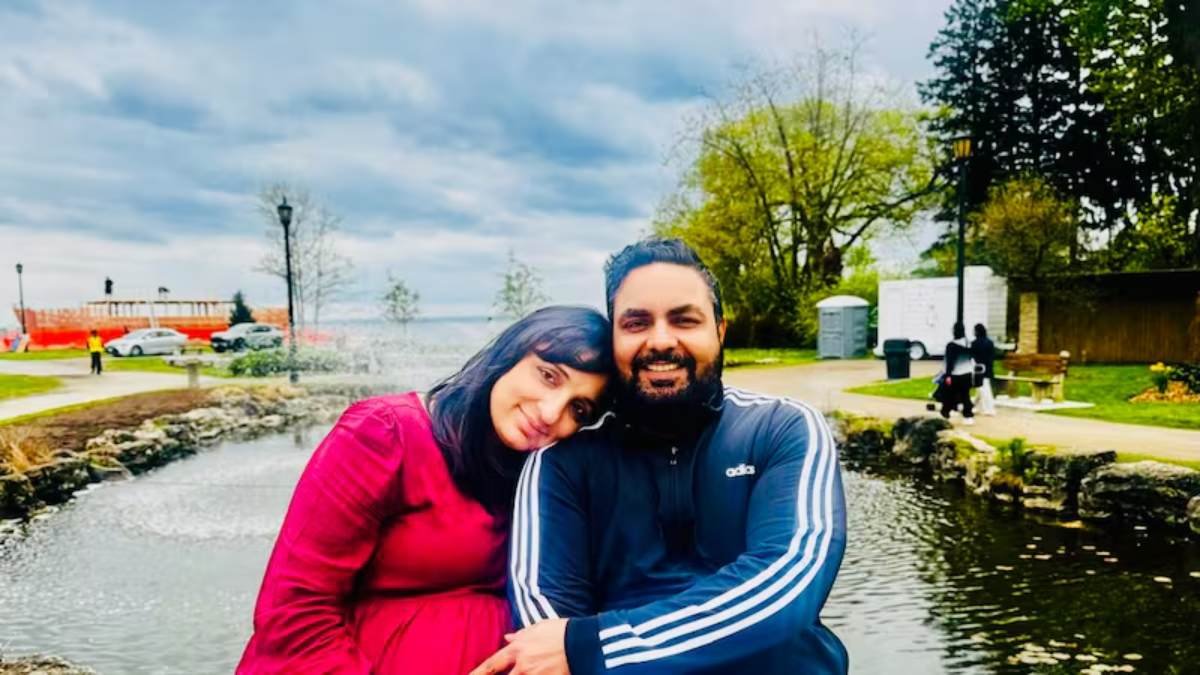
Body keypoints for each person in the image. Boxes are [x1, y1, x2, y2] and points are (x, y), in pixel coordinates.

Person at [473, 239, 848, 675]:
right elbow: (544, 632)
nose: (661, 341)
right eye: (636, 323)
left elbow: (787, 587)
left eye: (684, 320)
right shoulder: (562, 463)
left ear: (720, 331)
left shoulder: (781, 429)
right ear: (614, 337)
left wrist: (591, 648)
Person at [237, 306, 612, 675]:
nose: (550, 413)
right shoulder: (385, 435)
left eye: (578, 410)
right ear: (508, 355)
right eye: (548, 376)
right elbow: (294, 610)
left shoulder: (545, 479)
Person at [941, 322, 975, 424]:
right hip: (968, 372)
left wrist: (948, 375)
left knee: (949, 394)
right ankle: (968, 416)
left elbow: (950, 362)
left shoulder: (951, 345)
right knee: (965, 395)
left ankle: (946, 412)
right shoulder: (969, 343)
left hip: (956, 374)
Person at [971, 323, 996, 416]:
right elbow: (993, 355)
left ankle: (989, 409)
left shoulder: (974, 343)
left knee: (984, 389)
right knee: (981, 388)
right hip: (988, 368)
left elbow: (972, 356)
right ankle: (974, 406)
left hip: (978, 369)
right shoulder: (990, 342)